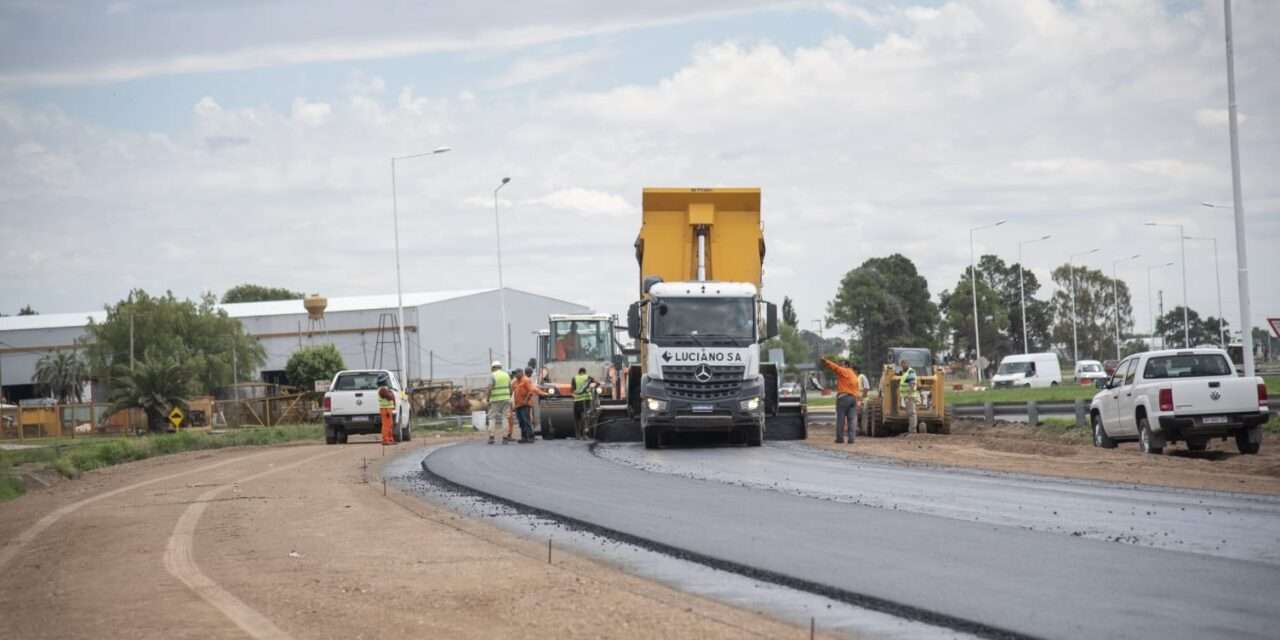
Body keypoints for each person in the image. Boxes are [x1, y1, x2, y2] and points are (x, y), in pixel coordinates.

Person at [820, 357, 861, 444]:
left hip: (843, 398)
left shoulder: (844, 371)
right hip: (853, 399)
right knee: (851, 420)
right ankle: (851, 439)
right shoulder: (853, 374)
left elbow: (834, 367)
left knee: (840, 419)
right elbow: (857, 389)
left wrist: (826, 361)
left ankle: (840, 438)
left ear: (846, 365)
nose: (840, 366)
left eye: (842, 364)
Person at [512, 368, 548, 443]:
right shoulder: (515, 382)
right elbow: (514, 392)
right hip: (518, 405)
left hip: (525, 405)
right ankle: (524, 437)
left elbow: (531, 391)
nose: (515, 375)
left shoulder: (526, 380)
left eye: (517, 373)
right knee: (521, 422)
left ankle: (530, 436)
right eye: (515, 373)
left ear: (521, 373)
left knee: (526, 421)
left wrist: (526, 400)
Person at [486, 361, 512, 445]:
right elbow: (510, 387)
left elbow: (489, 388)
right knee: (505, 418)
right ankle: (505, 438)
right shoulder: (506, 375)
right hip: (506, 399)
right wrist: (509, 396)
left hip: (495, 400)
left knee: (492, 417)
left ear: (493, 368)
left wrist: (488, 398)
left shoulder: (492, 375)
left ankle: (491, 437)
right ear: (500, 367)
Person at [572, 367, 596, 440]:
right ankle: (585, 435)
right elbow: (597, 384)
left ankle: (577, 435)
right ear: (585, 372)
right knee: (585, 417)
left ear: (579, 372)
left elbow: (573, 389)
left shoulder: (574, 378)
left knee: (577, 418)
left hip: (577, 401)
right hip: (586, 400)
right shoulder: (588, 377)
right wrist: (591, 388)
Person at [899, 358, 920, 433]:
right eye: (902, 364)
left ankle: (913, 431)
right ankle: (911, 430)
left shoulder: (910, 372)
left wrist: (909, 394)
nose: (903, 366)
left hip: (910, 396)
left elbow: (912, 384)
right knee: (910, 413)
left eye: (904, 364)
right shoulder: (906, 373)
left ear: (907, 364)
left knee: (912, 413)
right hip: (907, 396)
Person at [376, 377, 397, 446]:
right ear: (384, 382)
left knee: (390, 425)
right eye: (386, 381)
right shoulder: (382, 390)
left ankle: (390, 439)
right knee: (386, 425)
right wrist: (391, 392)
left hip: (387, 409)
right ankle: (385, 440)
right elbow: (390, 397)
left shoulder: (384, 389)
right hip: (385, 409)